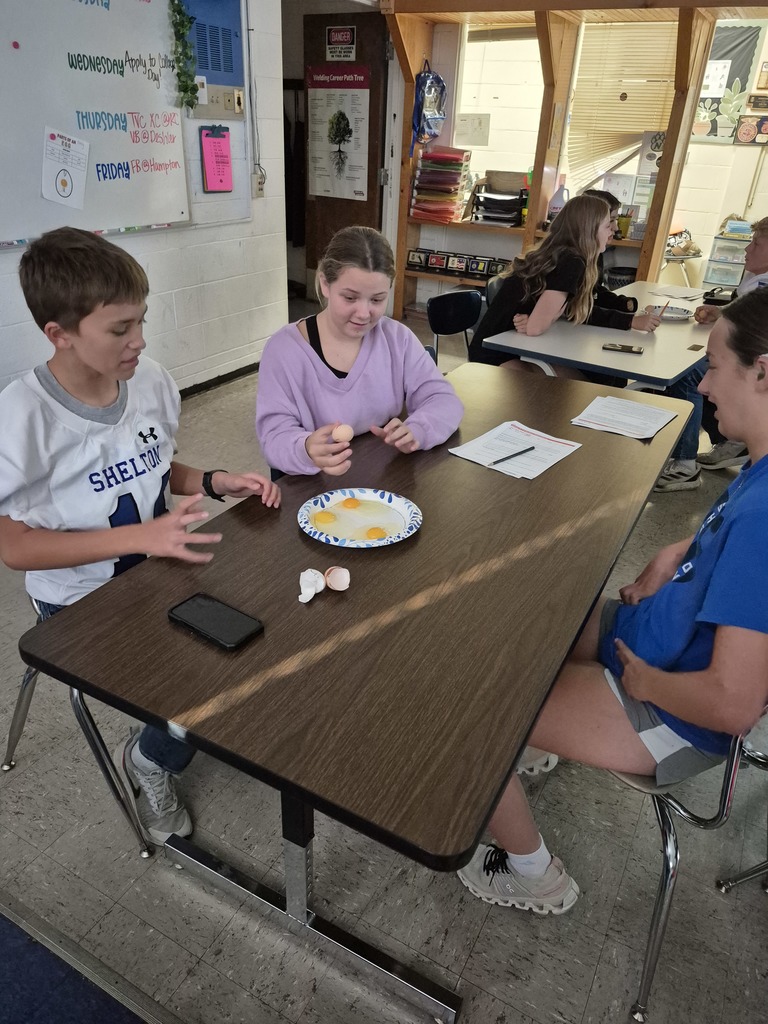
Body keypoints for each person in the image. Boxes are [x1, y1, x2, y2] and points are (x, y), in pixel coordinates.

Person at [457, 287, 768, 914]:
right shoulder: (760, 473)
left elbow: (732, 705)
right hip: (656, 638)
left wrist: (648, 685)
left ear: (763, 372)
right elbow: (729, 537)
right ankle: (544, 735)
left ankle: (534, 875)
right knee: (514, 625)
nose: (703, 385)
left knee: (468, 711)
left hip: (673, 705)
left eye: (712, 366)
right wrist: (675, 551)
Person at [0, 227, 281, 844]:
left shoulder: (149, 379)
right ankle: (150, 758)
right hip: (79, 600)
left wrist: (209, 480)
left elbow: (154, 464)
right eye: (120, 328)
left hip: (160, 571)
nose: (140, 340)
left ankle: (167, 738)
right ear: (60, 333)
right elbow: (15, 546)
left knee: (253, 636)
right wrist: (142, 540)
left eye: (142, 320)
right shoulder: (21, 418)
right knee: (195, 688)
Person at [256, 226, 463, 476]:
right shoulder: (284, 350)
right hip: (316, 486)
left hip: (384, 474)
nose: (364, 314)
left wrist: (418, 429)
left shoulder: (396, 338)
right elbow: (274, 436)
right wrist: (305, 448)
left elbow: (443, 400)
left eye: (377, 300)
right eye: (350, 298)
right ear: (325, 284)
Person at [467, 194, 661, 368]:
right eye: (607, 225)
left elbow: (571, 310)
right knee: (584, 385)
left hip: (511, 347)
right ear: (588, 230)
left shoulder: (562, 253)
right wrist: (544, 319)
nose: (613, 230)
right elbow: (536, 328)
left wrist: (542, 318)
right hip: (495, 356)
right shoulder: (571, 261)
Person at [693, 215, 768, 473]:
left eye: (756, 244)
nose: (748, 249)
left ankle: (725, 444)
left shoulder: (762, 288)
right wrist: (722, 312)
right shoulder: (753, 279)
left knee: (693, 376)